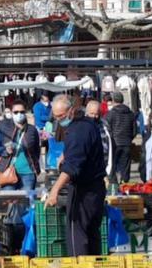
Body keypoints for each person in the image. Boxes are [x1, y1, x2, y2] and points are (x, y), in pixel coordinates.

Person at [45, 95, 107, 256]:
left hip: (83, 189)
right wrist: (65, 155)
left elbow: (72, 167)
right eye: (56, 117)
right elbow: (82, 151)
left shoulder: (77, 130)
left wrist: (54, 191)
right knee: (92, 232)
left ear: (71, 111)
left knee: (77, 234)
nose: (59, 120)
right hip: (96, 188)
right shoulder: (88, 124)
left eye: (61, 116)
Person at [0, 102, 40, 192]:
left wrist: (35, 165)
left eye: (22, 112)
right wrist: (4, 151)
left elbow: (37, 150)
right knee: (9, 203)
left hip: (28, 173)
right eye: (16, 112)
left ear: (25, 113)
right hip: (7, 171)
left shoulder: (32, 130)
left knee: (26, 202)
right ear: (11, 113)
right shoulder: (3, 127)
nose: (19, 114)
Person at [103, 93, 137, 183]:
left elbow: (106, 129)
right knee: (125, 168)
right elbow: (135, 131)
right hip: (127, 144)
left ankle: (114, 188)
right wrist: (129, 139)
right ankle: (125, 188)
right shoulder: (130, 114)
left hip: (114, 144)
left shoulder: (110, 114)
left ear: (113, 101)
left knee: (112, 168)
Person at [85, 100, 114, 181]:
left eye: (97, 114)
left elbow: (109, 142)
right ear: (87, 113)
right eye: (92, 113)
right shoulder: (82, 125)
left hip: (102, 164)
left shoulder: (104, 124)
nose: (94, 116)